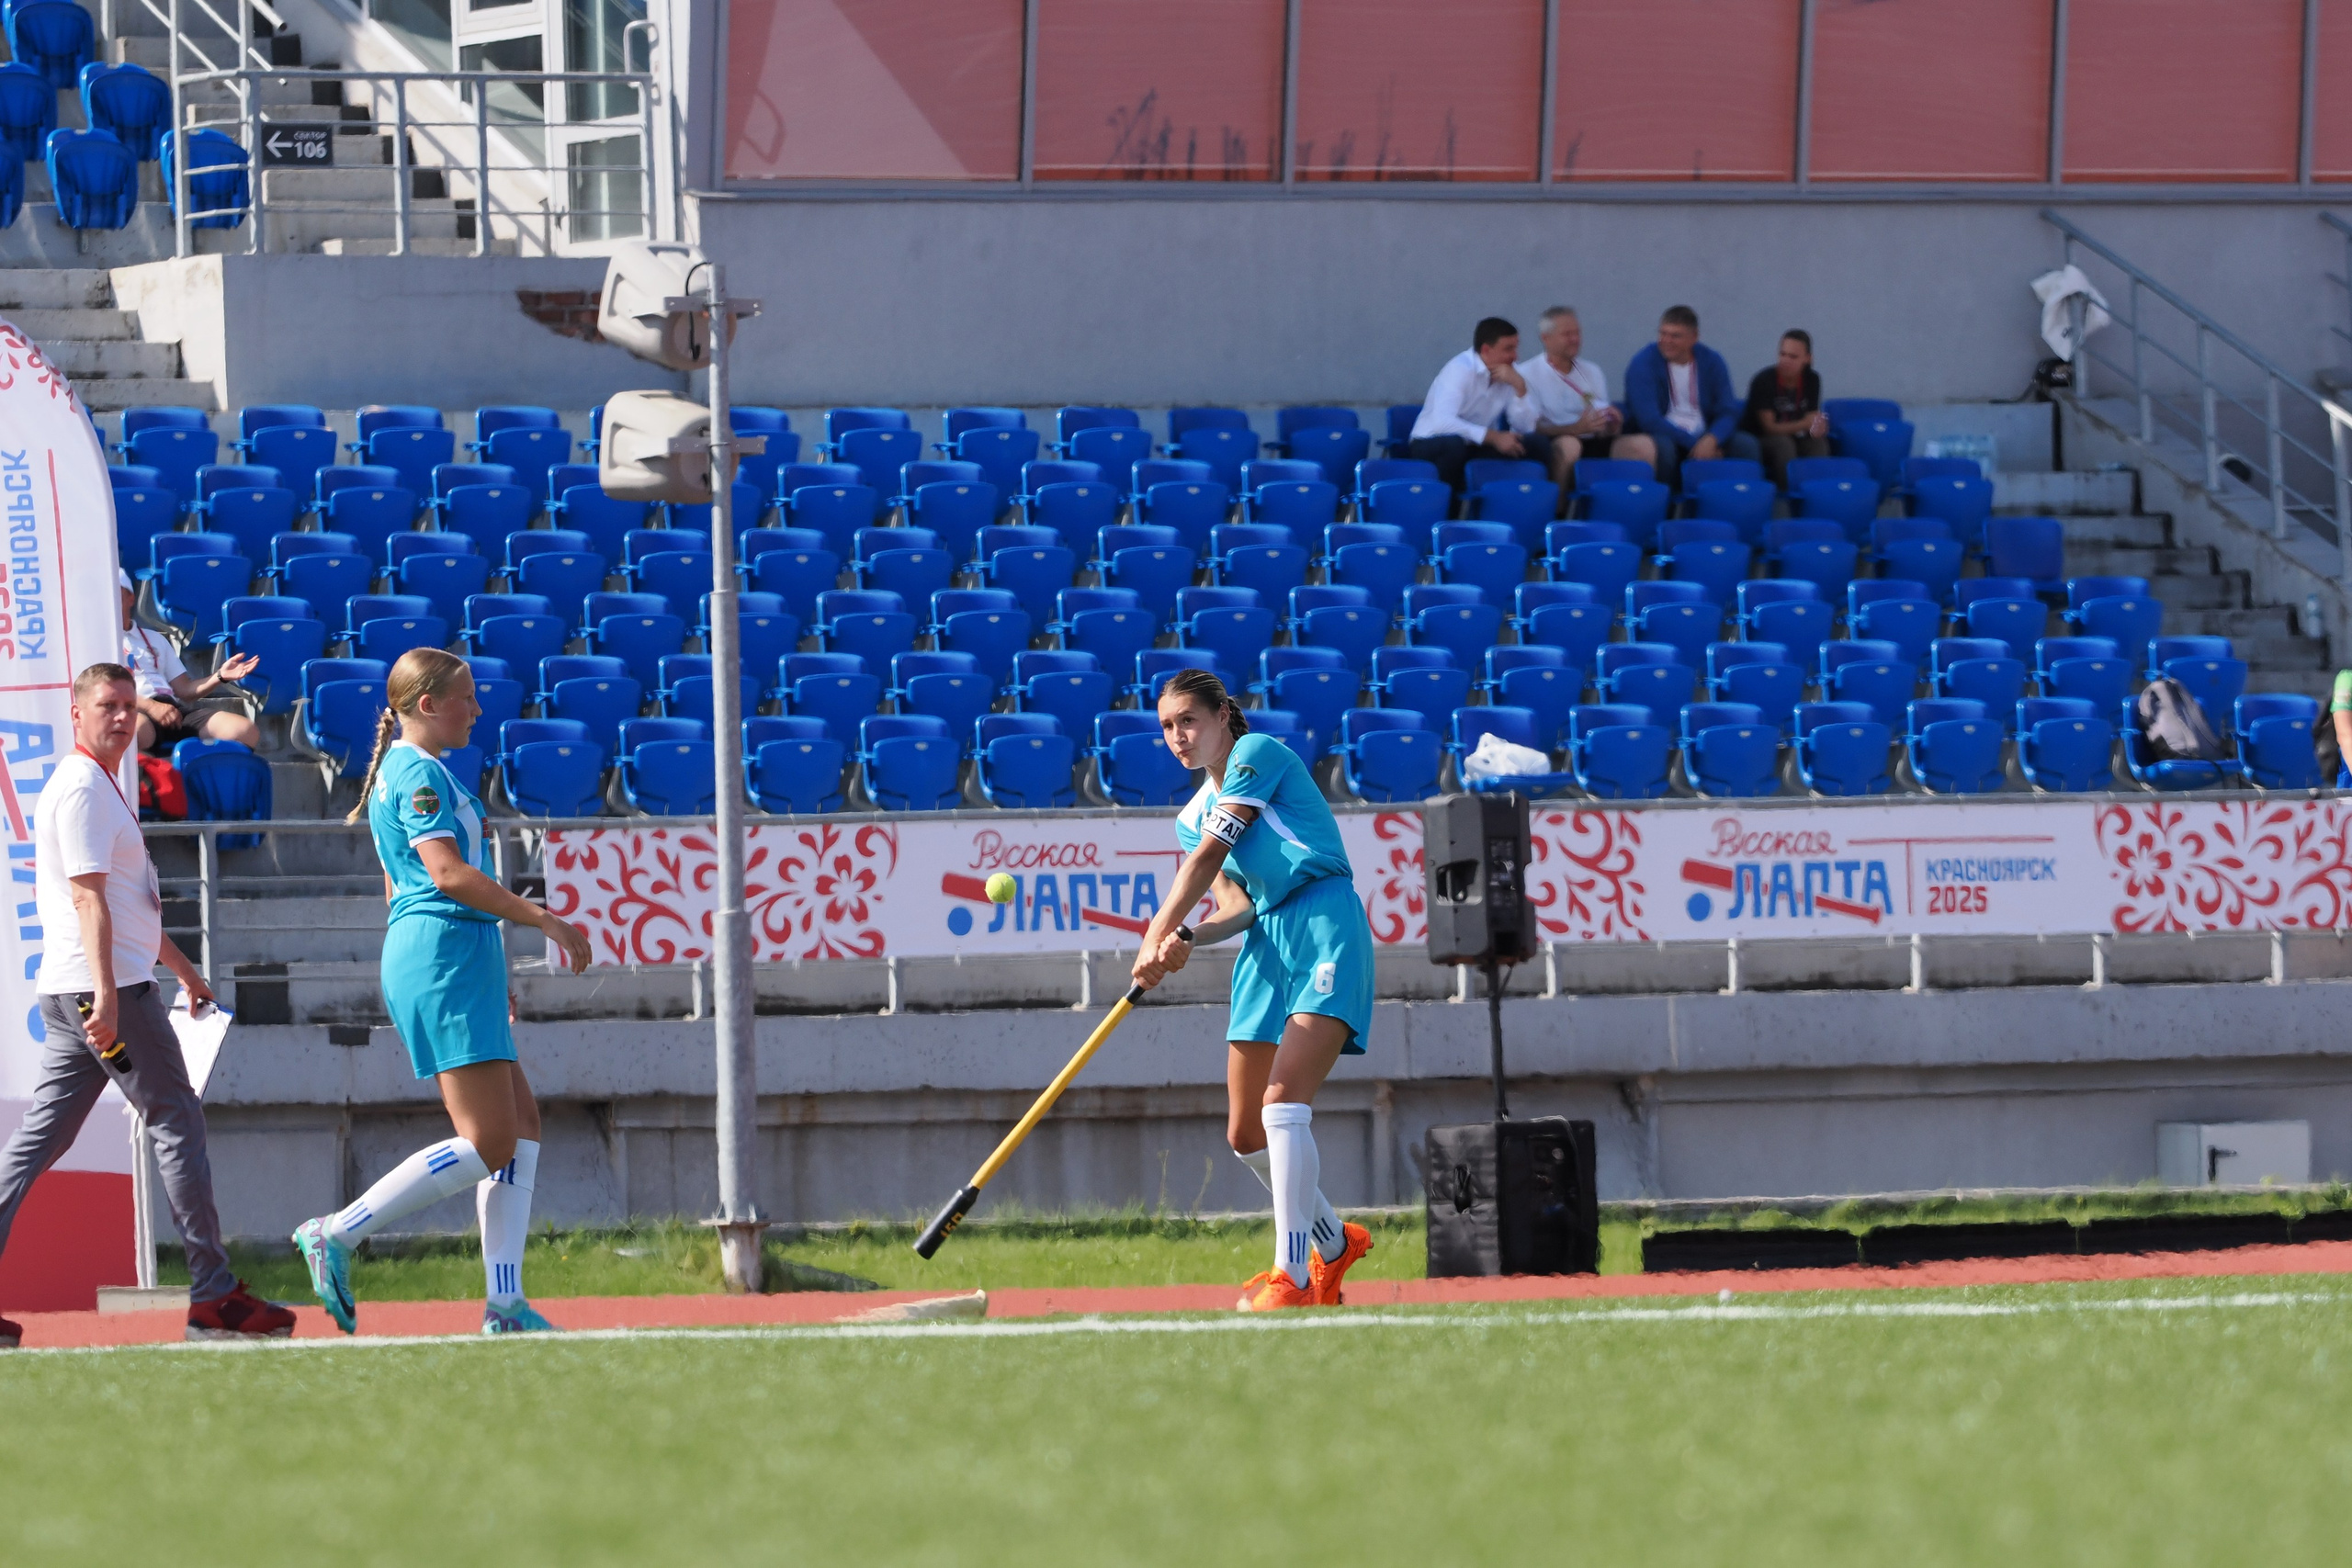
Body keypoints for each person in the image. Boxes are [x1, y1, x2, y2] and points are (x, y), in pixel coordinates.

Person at [291, 648, 594, 1337]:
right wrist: (542, 917)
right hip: (444, 956)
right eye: (467, 696)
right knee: (488, 1141)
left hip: (455, 955)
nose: (478, 710)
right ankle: (336, 1232)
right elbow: (448, 875)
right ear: (427, 705)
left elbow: (406, 887)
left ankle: (506, 1305)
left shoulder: (413, 771)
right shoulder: (418, 773)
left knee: (521, 1127)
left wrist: (489, 969)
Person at [0, 663, 293, 1348]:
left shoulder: (99, 784)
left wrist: (185, 972)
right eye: (108, 705)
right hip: (106, 992)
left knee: (39, 1141)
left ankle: (214, 1293)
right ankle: (214, 1296)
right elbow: (88, 900)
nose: (122, 717)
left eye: (130, 706)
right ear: (77, 713)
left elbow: (130, 902)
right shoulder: (83, 788)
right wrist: (108, 996)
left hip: (81, 989)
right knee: (176, 1119)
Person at [1131, 669, 1377, 1312]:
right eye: (1167, 727)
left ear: (1222, 715)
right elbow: (1236, 907)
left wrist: (1153, 933)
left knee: (1282, 1102)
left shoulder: (1257, 754)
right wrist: (1187, 936)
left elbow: (1213, 854)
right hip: (1265, 942)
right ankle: (1334, 1243)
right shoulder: (1189, 817)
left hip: (1322, 919)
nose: (1178, 736)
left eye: (1188, 720)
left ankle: (1290, 1275)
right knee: (1246, 1133)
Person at [1517, 305, 1655, 506]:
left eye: (1577, 333)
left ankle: (1631, 507)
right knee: (1569, 445)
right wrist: (1575, 429)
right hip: (1555, 441)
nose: (1575, 339)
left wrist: (1611, 425)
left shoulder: (1592, 371)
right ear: (1546, 338)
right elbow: (1531, 428)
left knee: (1643, 445)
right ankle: (1558, 511)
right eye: (1567, 334)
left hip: (1593, 439)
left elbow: (1601, 419)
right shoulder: (1527, 374)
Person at [1620, 304, 1759, 493]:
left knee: (1746, 445)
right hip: (1664, 433)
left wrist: (1712, 439)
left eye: (1675, 336)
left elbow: (1728, 409)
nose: (1666, 341)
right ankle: (1667, 504)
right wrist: (1695, 444)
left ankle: (1742, 500)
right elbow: (1649, 419)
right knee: (1664, 449)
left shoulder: (1711, 361)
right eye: (1663, 334)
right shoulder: (1643, 363)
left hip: (1704, 432)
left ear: (1694, 337)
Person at [120, 572, 263, 755]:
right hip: (134, 708)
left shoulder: (155, 638)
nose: (111, 601)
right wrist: (151, 707)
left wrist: (220, 676)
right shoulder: (98, 642)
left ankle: (214, 773)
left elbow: (185, 690)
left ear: (131, 598)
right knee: (135, 730)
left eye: (118, 595)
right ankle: (146, 773)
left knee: (244, 730)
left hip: (172, 709)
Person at [1406, 316, 1553, 493]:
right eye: (1508, 349)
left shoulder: (1511, 373)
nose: (1516, 356)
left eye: (1516, 348)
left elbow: (1526, 428)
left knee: (1536, 444)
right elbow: (1442, 422)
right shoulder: (1460, 369)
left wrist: (1520, 389)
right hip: (1430, 443)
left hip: (1475, 444)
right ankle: (1446, 509)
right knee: (1454, 445)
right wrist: (1493, 437)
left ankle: (1531, 504)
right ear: (1486, 350)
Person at [1744, 329, 1830, 489]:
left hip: (1795, 435)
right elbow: (1770, 428)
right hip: (1761, 438)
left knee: (1818, 443)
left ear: (1808, 359)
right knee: (1783, 444)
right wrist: (1805, 424)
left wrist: (1818, 428)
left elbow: (1812, 420)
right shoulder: (1763, 380)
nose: (1785, 360)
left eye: (1793, 357)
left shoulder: (1812, 379)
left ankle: (1816, 491)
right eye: (1782, 354)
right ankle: (1788, 493)